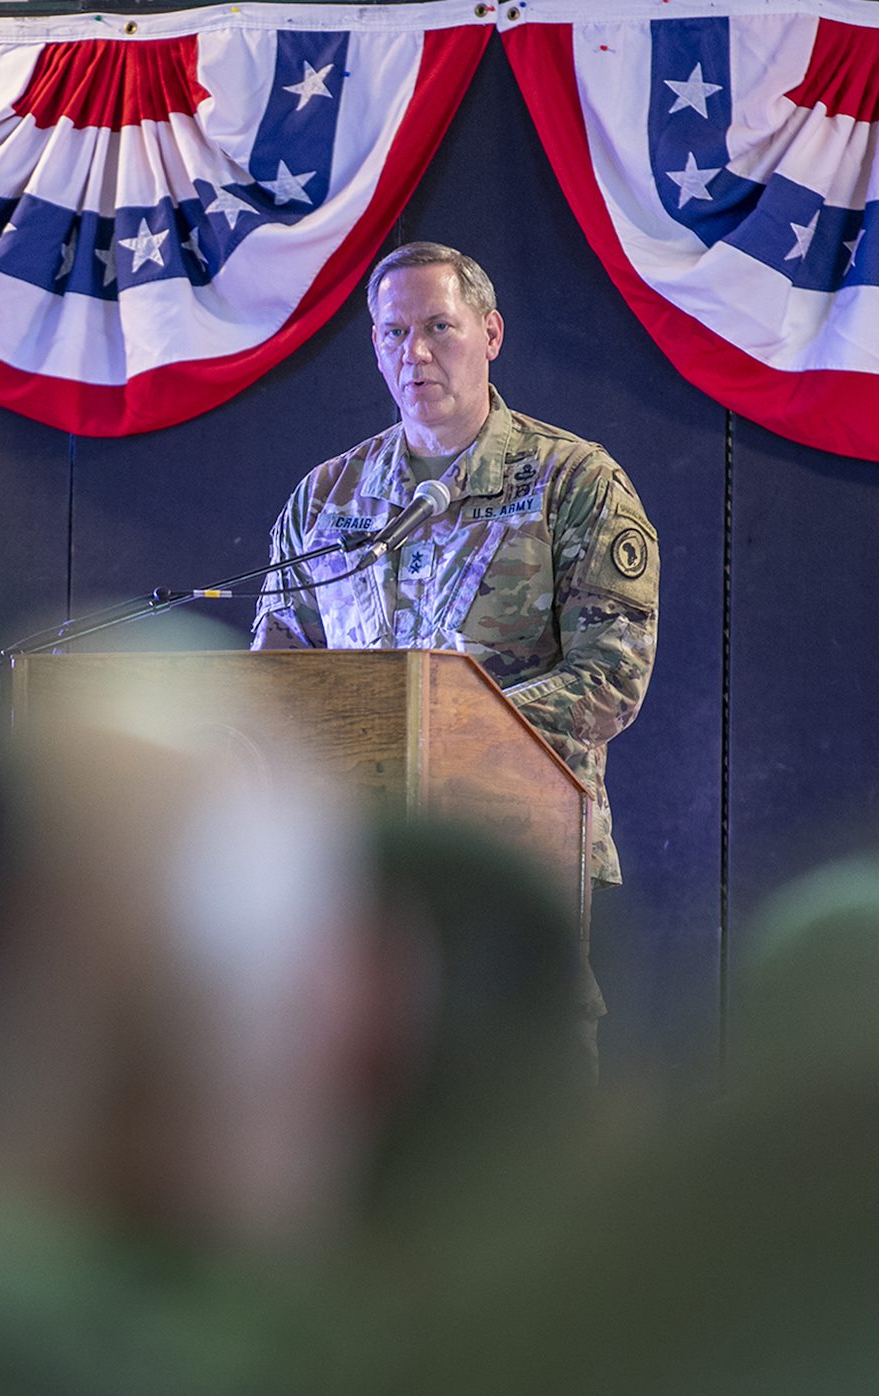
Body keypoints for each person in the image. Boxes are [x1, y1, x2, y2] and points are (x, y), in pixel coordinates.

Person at [252, 240, 660, 1049]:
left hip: (513, 863)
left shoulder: (572, 481)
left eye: (440, 325)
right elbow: (277, 677)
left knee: (519, 1120)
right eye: (393, 333)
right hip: (356, 877)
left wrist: (439, 730)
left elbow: (612, 675)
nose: (417, 352)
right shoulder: (327, 499)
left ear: (491, 333)